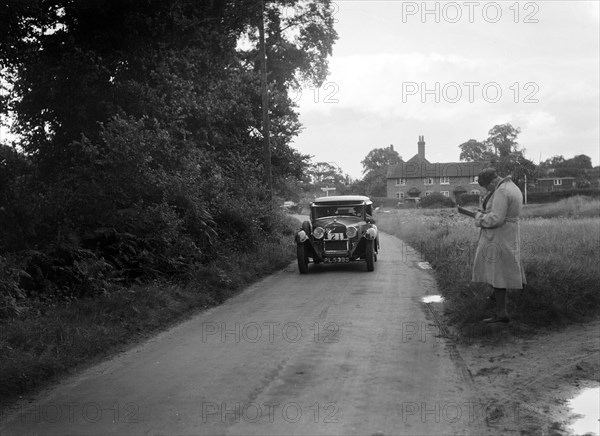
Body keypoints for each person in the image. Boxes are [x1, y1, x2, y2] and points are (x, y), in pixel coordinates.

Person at [472, 167, 527, 323]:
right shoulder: (512, 186)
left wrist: (479, 217)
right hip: (509, 233)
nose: (487, 190)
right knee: (503, 270)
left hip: (498, 236)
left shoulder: (501, 191)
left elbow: (496, 218)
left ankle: (501, 313)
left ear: (491, 181)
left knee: (498, 273)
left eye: (486, 186)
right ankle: (496, 301)